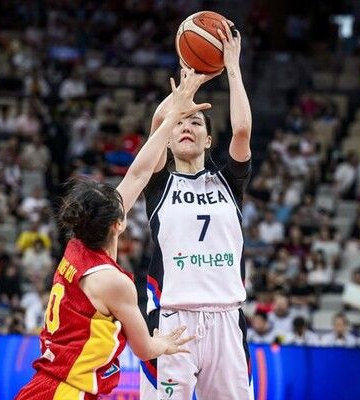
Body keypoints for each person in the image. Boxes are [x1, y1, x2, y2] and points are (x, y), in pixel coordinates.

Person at [16, 68, 210, 400]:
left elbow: (138, 173)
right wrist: (165, 343)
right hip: (68, 393)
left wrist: (174, 108)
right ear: (118, 225)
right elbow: (144, 348)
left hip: (43, 386)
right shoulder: (113, 282)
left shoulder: (77, 245)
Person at [139, 20, 255, 400]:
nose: (186, 126)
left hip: (226, 317)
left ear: (207, 139)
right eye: (180, 124)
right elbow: (158, 122)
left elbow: (242, 131)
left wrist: (231, 67)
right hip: (173, 320)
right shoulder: (159, 185)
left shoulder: (228, 183)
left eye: (196, 122)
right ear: (168, 140)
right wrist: (186, 90)